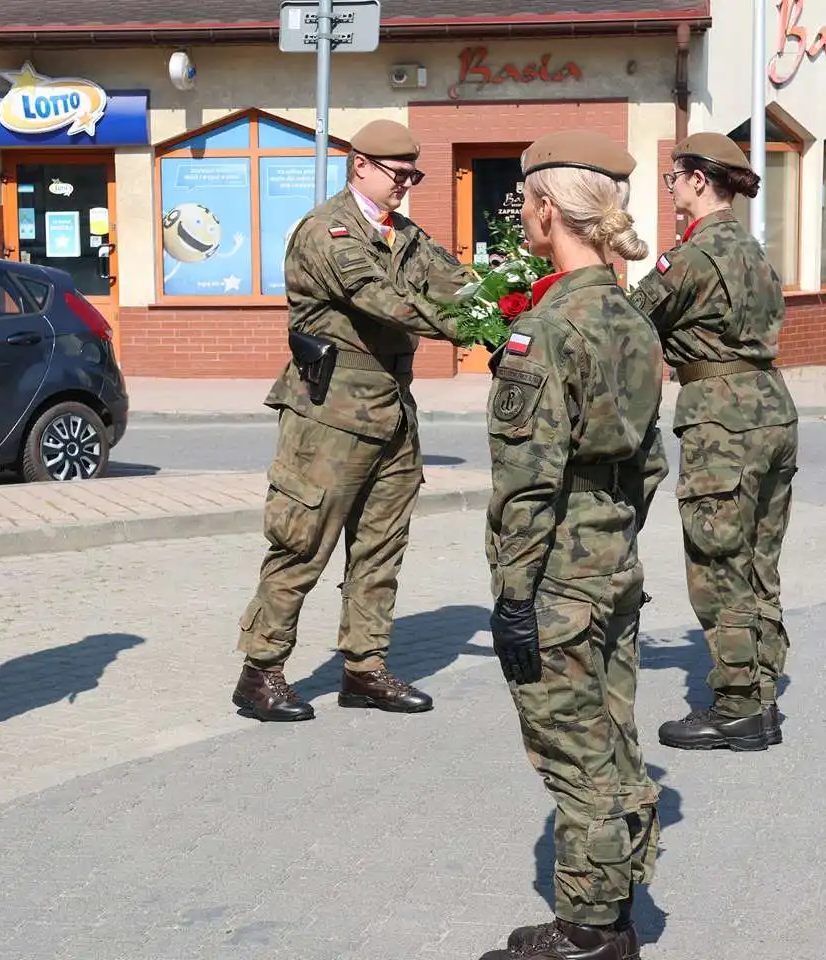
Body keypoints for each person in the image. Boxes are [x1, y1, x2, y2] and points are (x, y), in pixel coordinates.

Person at [481, 129, 667, 960]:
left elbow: (527, 480)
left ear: (548, 208)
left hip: (558, 573)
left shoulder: (549, 328)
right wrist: (616, 538)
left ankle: (588, 931)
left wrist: (515, 595)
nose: (521, 213)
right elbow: (650, 461)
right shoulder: (632, 319)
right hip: (615, 561)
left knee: (573, 750)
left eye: (524, 200)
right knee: (614, 736)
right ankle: (617, 905)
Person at [233, 118, 476, 722]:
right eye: (399, 175)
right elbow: (383, 299)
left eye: (414, 176)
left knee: (380, 549)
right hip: (330, 417)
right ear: (359, 164)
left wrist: (516, 308)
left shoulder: (405, 235)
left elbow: (459, 283)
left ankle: (365, 667)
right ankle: (260, 671)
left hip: (393, 415)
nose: (407, 186)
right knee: (302, 544)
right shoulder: (328, 232)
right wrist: (474, 330)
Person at [627, 133, 799, 753]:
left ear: (700, 180)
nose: (670, 185)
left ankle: (736, 708)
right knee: (758, 562)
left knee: (718, 565)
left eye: (675, 176)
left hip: (722, 421)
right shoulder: (752, 250)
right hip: (772, 410)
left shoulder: (693, 257)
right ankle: (761, 692)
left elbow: (627, 321)